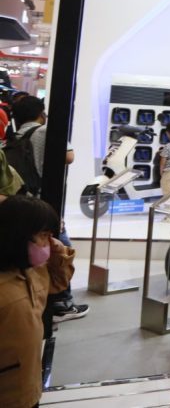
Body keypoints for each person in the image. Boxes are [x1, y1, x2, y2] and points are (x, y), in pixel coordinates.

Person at [9, 95, 83, 322]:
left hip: (20, 202)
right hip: (44, 202)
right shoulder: (47, 131)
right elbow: (69, 157)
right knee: (60, 249)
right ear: (41, 114)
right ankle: (62, 303)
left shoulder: (14, 136)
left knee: (28, 250)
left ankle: (38, 298)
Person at [0, 195, 75, 408]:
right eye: (43, 236)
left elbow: (60, 281)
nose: (48, 243)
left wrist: (58, 249)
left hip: (28, 386)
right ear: (17, 235)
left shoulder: (34, 272)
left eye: (51, 236)